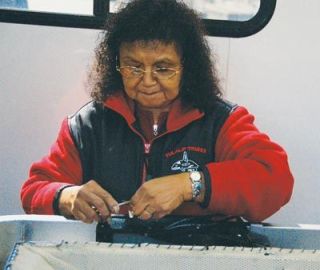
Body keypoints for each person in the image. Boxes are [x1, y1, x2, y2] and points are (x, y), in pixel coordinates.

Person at [20, 0, 293, 225]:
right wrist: (66, 196)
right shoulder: (87, 125)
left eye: (163, 68)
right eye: (133, 66)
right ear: (116, 66)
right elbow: (34, 189)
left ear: (188, 68)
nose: (147, 80)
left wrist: (190, 184)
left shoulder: (222, 121)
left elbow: (276, 181)